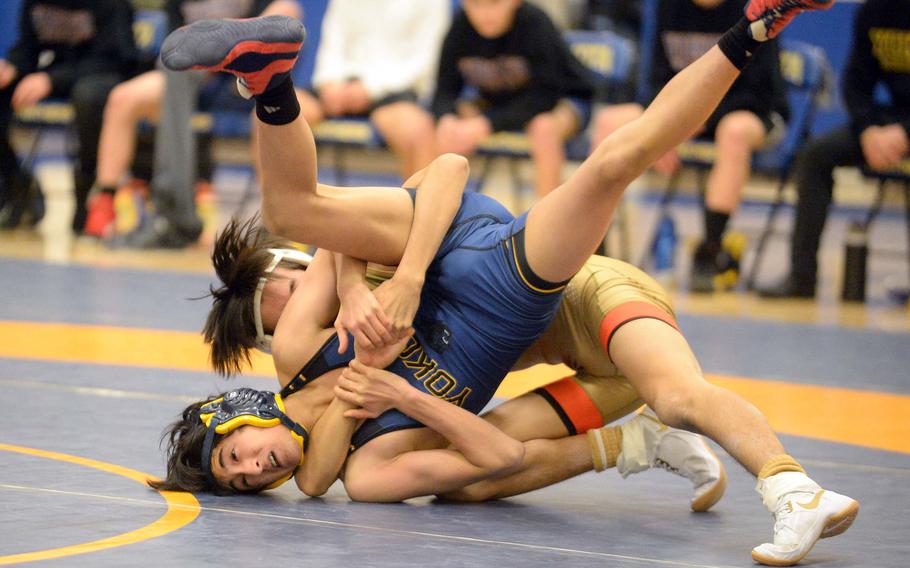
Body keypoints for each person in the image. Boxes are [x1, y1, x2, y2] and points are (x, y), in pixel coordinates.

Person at [152, 4, 856, 565]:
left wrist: (382, 288)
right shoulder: (366, 469)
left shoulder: (301, 346)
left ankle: (271, 82)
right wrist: (395, 390)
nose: (255, 468)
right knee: (511, 466)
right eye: (246, 481)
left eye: (236, 455)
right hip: (524, 308)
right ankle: (657, 448)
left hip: (490, 263)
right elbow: (497, 458)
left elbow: (444, 170)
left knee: (297, 210)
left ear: (238, 411)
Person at [593, 0, 788, 292]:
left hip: (750, 113)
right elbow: (660, 77)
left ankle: (710, 253)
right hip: (687, 112)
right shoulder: (668, 6)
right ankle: (596, 248)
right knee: (609, 121)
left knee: (733, 132)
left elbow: (759, 92)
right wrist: (665, 125)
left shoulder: (753, 7)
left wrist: (687, 122)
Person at [83, 0, 301, 245]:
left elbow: (287, 16)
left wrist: (224, 43)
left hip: (245, 74)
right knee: (123, 99)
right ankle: (106, 201)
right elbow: (175, 46)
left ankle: (280, 217)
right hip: (197, 77)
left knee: (286, 11)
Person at [760, 0, 910, 298]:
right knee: (816, 154)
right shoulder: (874, 11)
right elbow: (855, 82)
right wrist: (868, 129)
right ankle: (802, 277)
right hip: (887, 121)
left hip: (902, 127)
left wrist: (905, 132)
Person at [432, 0, 595, 197]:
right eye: (476, 4)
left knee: (544, 127)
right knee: (448, 130)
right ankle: (443, 216)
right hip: (502, 104)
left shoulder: (535, 22)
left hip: (562, 99)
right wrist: (447, 117)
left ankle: (548, 221)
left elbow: (544, 97)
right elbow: (444, 91)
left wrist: (487, 123)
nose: (485, 14)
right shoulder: (460, 26)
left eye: (494, 4)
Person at [0, 0, 137, 231]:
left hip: (102, 76)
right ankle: (15, 181)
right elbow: (28, 48)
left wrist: (52, 80)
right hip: (56, 74)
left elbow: (116, 60)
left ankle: (88, 190)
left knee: (89, 96)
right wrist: (12, 66)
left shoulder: (113, 4)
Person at [299, 0, 449, 179]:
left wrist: (370, 89)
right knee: (276, 114)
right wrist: (330, 84)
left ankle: (423, 207)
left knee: (417, 132)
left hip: (394, 90)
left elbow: (425, 62)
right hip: (339, 86)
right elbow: (332, 46)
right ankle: (278, 204)